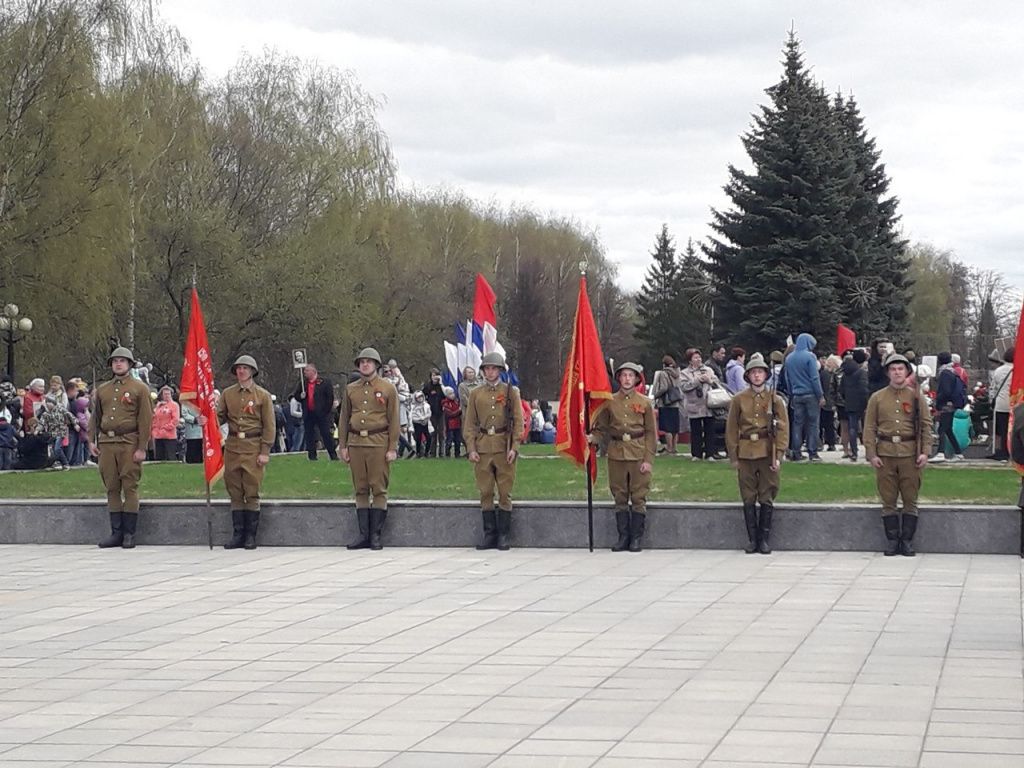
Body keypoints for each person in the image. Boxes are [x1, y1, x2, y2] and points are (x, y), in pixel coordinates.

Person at [863, 353, 933, 556]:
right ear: (888, 373)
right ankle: (892, 540)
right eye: (893, 369)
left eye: (900, 369)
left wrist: (925, 451)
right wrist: (871, 453)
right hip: (885, 454)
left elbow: (926, 426)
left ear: (907, 372)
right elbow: (869, 427)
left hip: (910, 454)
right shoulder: (877, 398)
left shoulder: (916, 396)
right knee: (888, 499)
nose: (897, 372)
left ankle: (907, 541)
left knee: (910, 499)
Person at [725, 353, 790, 554]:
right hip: (745, 451)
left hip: (767, 450)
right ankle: (752, 539)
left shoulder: (775, 399)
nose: (757, 376)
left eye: (760, 372)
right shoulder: (739, 399)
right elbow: (731, 428)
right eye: (753, 372)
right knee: (748, 495)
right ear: (747, 376)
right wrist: (734, 455)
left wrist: (779, 454)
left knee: (767, 493)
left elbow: (783, 428)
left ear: (766, 375)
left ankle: (764, 539)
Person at [89, 347, 153, 549]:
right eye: (115, 361)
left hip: (129, 442)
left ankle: (129, 534)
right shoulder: (103, 389)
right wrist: (91, 440)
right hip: (107, 443)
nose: (118, 364)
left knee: (129, 485)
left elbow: (145, 419)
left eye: (122, 361)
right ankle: (116, 532)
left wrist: (142, 447)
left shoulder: (139, 388)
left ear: (130, 364)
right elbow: (96, 417)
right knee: (111, 487)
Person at [590, 362, 656, 552]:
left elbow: (651, 432)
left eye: (631, 376)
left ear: (636, 379)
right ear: (618, 378)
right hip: (617, 453)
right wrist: (593, 438)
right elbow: (602, 428)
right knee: (619, 495)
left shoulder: (645, 402)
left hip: (638, 453)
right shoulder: (609, 402)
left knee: (638, 495)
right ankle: (623, 537)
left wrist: (648, 459)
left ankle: (636, 538)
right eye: (624, 375)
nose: (627, 379)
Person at [338, 348, 400, 550]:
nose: (365, 365)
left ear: (376, 365)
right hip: (356, 443)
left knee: (378, 488)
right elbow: (344, 418)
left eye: (369, 362)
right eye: (362, 362)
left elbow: (394, 419)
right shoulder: (351, 389)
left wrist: (392, 447)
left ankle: (375, 535)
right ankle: (363, 534)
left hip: (378, 442)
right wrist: (343, 445)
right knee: (360, 488)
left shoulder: (388, 388)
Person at [214, 355, 275, 550]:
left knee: (251, 490)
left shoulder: (262, 396)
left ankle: (250, 535)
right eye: (239, 368)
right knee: (235, 491)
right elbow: (219, 417)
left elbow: (269, 426)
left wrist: (265, 451)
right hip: (233, 446)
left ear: (252, 371)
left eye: (245, 368)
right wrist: (207, 420)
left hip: (253, 446)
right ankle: (238, 534)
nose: (241, 371)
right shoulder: (228, 394)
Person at [464, 352, 524, 551]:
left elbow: (518, 421)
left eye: (494, 368)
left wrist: (514, 447)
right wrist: (471, 448)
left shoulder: (510, 392)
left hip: (503, 445)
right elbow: (470, 423)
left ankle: (504, 535)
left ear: (500, 371)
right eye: (487, 368)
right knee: (485, 491)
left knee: (505, 492)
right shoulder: (476, 393)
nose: (490, 372)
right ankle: (489, 534)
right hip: (483, 447)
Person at [784, 333, 824, 462]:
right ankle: (813, 452)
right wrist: (820, 395)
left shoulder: (789, 358)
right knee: (813, 424)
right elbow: (814, 378)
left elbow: (788, 379)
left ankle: (796, 452)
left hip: (796, 395)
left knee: (797, 424)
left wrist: (791, 393)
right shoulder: (810, 357)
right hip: (811, 394)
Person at [291, 364, 338, 461]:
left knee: (326, 434)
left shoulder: (324, 382)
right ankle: (312, 456)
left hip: (322, 414)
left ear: (313, 371)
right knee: (309, 435)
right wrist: (301, 396)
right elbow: (296, 396)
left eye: (307, 371)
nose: (305, 373)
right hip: (309, 413)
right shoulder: (303, 384)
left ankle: (332, 454)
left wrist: (326, 411)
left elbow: (329, 398)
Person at [679, 348, 719, 461]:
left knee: (709, 430)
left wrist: (709, 381)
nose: (699, 359)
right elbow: (684, 387)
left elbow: (717, 384)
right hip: (694, 405)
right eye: (695, 358)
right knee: (696, 430)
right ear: (690, 360)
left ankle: (710, 454)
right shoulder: (684, 373)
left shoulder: (708, 370)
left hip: (708, 404)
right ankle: (696, 454)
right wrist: (697, 380)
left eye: (699, 357)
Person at [929, 351, 967, 463]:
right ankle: (958, 452)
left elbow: (946, 391)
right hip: (952, 403)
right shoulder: (953, 371)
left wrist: (938, 401)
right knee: (947, 429)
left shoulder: (944, 373)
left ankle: (941, 452)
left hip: (946, 404)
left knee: (942, 428)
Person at [839, 349, 870, 461]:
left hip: (850, 403)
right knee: (867, 428)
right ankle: (868, 452)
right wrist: (867, 401)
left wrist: (847, 399)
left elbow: (841, 390)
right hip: (862, 403)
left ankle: (854, 452)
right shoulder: (861, 373)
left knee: (852, 428)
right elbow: (864, 388)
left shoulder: (845, 375)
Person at [650, 356, 682, 455]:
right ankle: (674, 448)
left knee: (667, 427)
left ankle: (669, 448)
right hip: (675, 402)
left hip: (665, 402)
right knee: (675, 428)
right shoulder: (677, 373)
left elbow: (664, 387)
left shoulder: (663, 373)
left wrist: (655, 395)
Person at [38, 394, 75, 469]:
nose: (48, 404)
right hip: (51, 433)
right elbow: (42, 422)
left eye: (49, 402)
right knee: (53, 449)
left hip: (60, 432)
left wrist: (75, 424)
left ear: (53, 403)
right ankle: (57, 463)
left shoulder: (61, 410)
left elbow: (70, 416)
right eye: (46, 402)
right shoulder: (46, 413)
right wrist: (37, 429)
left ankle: (65, 463)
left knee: (57, 448)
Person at [989, 348, 1013, 461]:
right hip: (1014, 403)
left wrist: (992, 401)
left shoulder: (998, 371)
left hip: (1000, 403)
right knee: (1013, 429)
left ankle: (1001, 451)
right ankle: (1012, 451)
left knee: (1001, 430)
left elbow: (993, 388)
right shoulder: (1018, 370)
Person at [151, 386, 180, 461]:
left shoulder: (174, 405)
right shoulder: (159, 406)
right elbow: (154, 418)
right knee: (159, 457)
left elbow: (175, 420)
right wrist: (154, 429)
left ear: (171, 395)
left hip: (169, 436)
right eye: (165, 394)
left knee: (170, 457)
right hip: (158, 436)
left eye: (168, 394)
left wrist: (165, 428)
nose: (167, 396)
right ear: (162, 395)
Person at [422, 368, 446, 457]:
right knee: (433, 432)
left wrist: (441, 383)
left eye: (437, 375)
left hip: (441, 411)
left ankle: (442, 453)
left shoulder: (441, 386)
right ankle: (432, 452)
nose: (435, 377)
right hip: (431, 412)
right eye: (433, 375)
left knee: (441, 433)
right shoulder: (428, 386)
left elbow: (446, 394)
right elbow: (422, 395)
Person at [409, 391, 432, 456]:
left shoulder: (426, 405)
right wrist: (420, 419)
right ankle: (418, 452)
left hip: (425, 423)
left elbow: (429, 413)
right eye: (418, 397)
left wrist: (425, 418)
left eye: (421, 397)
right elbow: (412, 416)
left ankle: (427, 452)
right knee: (418, 438)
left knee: (429, 437)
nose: (420, 398)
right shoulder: (413, 407)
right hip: (417, 424)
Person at [441, 387, 463, 457]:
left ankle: (457, 454)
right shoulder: (445, 404)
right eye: (450, 394)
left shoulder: (456, 402)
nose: (453, 395)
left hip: (457, 424)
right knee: (449, 440)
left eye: (453, 393)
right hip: (450, 425)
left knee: (458, 440)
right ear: (446, 395)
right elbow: (450, 414)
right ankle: (447, 454)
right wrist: (459, 411)